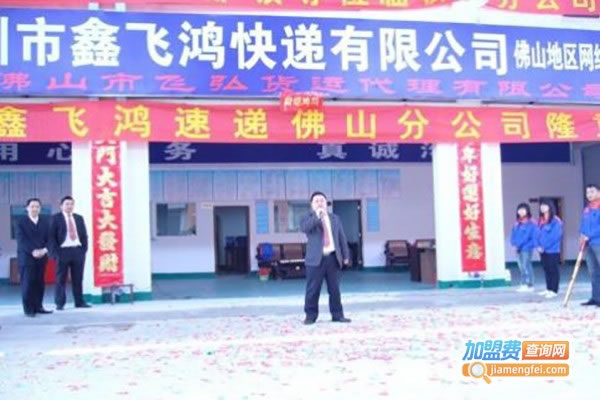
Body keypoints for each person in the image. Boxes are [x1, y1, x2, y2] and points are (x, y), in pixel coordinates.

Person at [300, 192, 351, 325]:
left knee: (335, 290)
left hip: (333, 258)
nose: (319, 203)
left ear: (326, 203)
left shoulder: (335, 218)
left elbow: (341, 237)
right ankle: (310, 316)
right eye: (316, 201)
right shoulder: (307, 218)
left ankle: (337, 315)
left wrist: (345, 255)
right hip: (315, 260)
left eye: (322, 200)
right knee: (313, 290)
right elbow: (305, 228)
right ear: (312, 205)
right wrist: (318, 216)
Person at [49, 196, 91, 310]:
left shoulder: (79, 218)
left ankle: (79, 302)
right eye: (67, 204)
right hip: (62, 251)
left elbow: (84, 235)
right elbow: (51, 237)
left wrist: (83, 250)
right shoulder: (55, 218)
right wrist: (55, 253)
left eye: (71, 204)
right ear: (61, 206)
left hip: (77, 251)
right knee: (60, 279)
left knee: (78, 278)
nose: (69, 206)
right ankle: (60, 303)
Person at [15, 198, 52, 317]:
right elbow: (21, 240)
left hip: (42, 257)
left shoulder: (45, 222)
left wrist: (44, 250)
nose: (35, 209)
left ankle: (38, 306)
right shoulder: (20, 222)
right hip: (26, 258)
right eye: (32, 206)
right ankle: (29, 309)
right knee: (28, 283)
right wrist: (33, 251)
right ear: (27, 208)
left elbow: (50, 239)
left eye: (37, 207)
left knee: (39, 283)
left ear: (40, 209)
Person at [537, 200, 563, 299]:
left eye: (545, 206)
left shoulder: (556, 221)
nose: (542, 207)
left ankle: (554, 290)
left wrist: (544, 246)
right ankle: (548, 288)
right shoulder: (541, 220)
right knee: (546, 269)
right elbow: (537, 234)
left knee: (553, 270)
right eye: (541, 206)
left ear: (550, 207)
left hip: (552, 250)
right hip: (542, 250)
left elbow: (555, 236)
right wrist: (538, 245)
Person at [580, 184, 600, 307]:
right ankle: (596, 297)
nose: (589, 195)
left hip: (598, 242)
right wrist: (582, 236)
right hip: (588, 243)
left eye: (592, 192)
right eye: (588, 192)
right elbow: (583, 224)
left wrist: (589, 235)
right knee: (593, 271)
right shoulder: (587, 209)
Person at [510, 203, 537, 292]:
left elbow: (528, 236)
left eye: (523, 210)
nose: (521, 212)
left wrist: (519, 245)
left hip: (526, 248)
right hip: (518, 248)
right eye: (519, 210)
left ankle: (529, 284)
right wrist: (513, 244)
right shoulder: (517, 223)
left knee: (526, 266)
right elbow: (513, 235)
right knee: (521, 267)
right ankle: (524, 284)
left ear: (527, 211)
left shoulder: (531, 223)